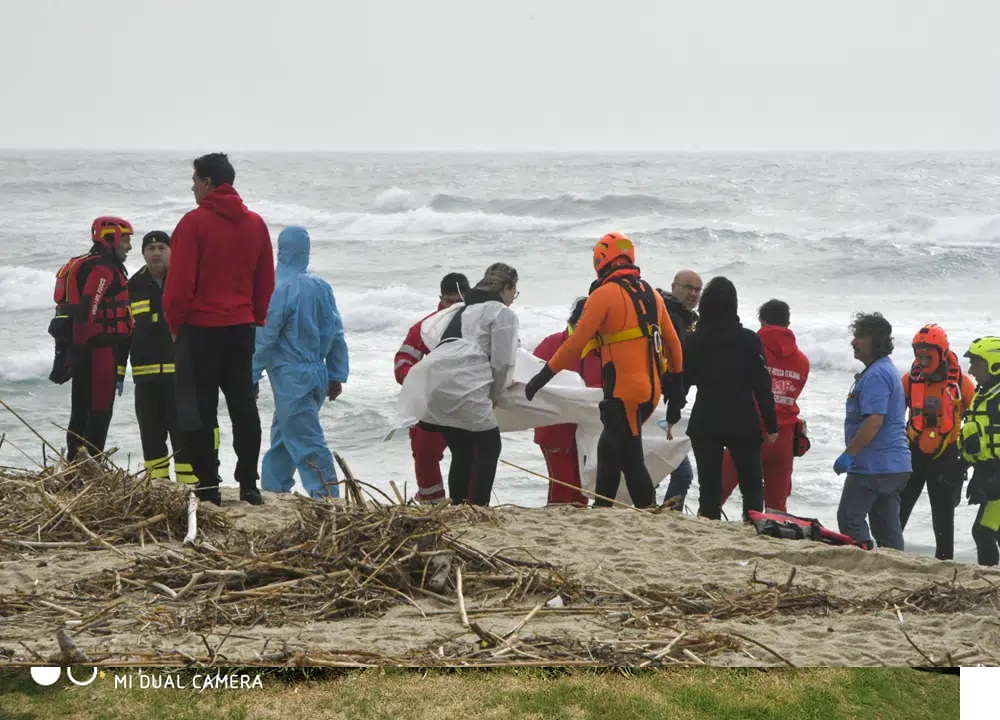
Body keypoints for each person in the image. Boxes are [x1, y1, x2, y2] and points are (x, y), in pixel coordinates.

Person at [524, 233, 683, 509]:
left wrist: (543, 376)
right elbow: (673, 343)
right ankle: (607, 507)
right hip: (650, 391)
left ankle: (638, 509)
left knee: (624, 455)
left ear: (601, 260)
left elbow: (576, 342)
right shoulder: (652, 295)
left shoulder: (604, 294)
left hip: (625, 391)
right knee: (614, 448)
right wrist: (677, 385)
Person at [164, 152, 275, 506]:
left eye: (195, 179)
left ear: (208, 183)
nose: (192, 185)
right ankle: (248, 484)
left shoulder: (193, 223)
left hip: (200, 329)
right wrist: (254, 316)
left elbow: (179, 285)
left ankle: (208, 485)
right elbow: (265, 280)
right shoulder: (256, 224)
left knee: (199, 409)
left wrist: (174, 323)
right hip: (240, 327)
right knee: (243, 405)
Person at [252, 226, 349, 499]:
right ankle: (273, 490)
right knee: (284, 437)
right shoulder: (321, 287)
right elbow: (337, 333)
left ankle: (328, 498)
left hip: (291, 376)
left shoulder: (279, 288)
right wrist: (336, 373)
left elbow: (265, 337)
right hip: (317, 372)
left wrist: (250, 374)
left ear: (280, 250)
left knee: (306, 441)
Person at [416, 263, 520, 505]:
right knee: (490, 446)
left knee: (461, 452)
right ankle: (479, 507)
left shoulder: (462, 310)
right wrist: (495, 395)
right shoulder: (502, 313)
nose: (513, 299)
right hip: (466, 386)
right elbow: (503, 363)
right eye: (514, 292)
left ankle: (458, 506)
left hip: (436, 384)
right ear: (506, 288)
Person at [680, 277, 778, 521]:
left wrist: (672, 413)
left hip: (706, 418)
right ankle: (753, 525)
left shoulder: (694, 339)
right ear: (733, 304)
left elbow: (682, 380)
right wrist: (771, 425)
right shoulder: (748, 339)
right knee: (752, 483)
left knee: (709, 487)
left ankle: (709, 526)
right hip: (741, 418)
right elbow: (762, 385)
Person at [50, 217, 134, 462]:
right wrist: (83, 352)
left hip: (84, 350)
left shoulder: (90, 264)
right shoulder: (102, 269)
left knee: (81, 410)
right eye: (126, 240)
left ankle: (76, 467)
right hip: (97, 351)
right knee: (99, 411)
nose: (128, 247)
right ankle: (90, 468)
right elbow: (89, 309)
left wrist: (75, 353)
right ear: (111, 238)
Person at [119, 231, 196, 486]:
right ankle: (159, 488)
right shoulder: (132, 287)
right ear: (143, 253)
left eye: (162, 247)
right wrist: (118, 373)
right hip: (146, 380)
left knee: (184, 436)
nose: (156, 253)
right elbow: (122, 336)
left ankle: (189, 489)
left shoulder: (185, 282)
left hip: (181, 377)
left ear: (171, 251)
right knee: (151, 438)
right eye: (150, 248)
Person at [720, 299, 810, 513]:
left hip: (748, 430)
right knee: (776, 505)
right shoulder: (802, 361)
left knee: (717, 491)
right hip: (784, 437)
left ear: (762, 321)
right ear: (788, 323)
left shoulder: (750, 349)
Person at [834, 312, 911, 551]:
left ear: (875, 341)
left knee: (849, 517)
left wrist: (849, 454)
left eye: (860, 336)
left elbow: (874, 421)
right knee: (887, 527)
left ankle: (864, 559)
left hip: (873, 466)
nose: (853, 342)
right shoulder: (885, 369)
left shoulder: (877, 374)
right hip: (896, 466)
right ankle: (895, 567)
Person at [898, 324, 974, 560]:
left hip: (947, 458)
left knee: (943, 518)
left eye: (927, 356)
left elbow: (978, 423)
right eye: (917, 355)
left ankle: (944, 563)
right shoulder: (908, 381)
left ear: (942, 353)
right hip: (913, 455)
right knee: (897, 511)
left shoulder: (963, 384)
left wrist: (967, 461)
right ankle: (887, 554)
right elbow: (892, 419)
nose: (921, 361)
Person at [393, 272, 471, 502]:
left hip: (467, 401)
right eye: (450, 301)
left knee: (473, 454)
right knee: (425, 450)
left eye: (460, 301)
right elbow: (402, 362)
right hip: (432, 404)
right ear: (441, 299)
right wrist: (419, 379)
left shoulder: (478, 324)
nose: (454, 306)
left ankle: (469, 502)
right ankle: (431, 501)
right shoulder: (425, 328)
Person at [531, 297, 603, 505]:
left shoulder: (602, 348)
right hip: (555, 429)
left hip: (588, 431)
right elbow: (531, 381)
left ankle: (575, 532)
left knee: (583, 489)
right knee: (563, 485)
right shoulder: (552, 344)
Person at [656, 270, 702, 508]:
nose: (693, 293)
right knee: (680, 472)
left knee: (655, 463)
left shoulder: (684, 317)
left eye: (697, 290)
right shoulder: (670, 316)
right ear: (674, 286)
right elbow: (676, 365)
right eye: (688, 288)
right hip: (658, 403)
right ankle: (658, 514)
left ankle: (651, 512)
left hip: (666, 403)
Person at [958, 337, 1000, 565]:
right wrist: (962, 465)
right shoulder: (984, 395)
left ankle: (989, 580)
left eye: (976, 363)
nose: (971, 370)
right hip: (987, 473)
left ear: (994, 364)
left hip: (997, 476)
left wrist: (995, 478)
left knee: (983, 531)